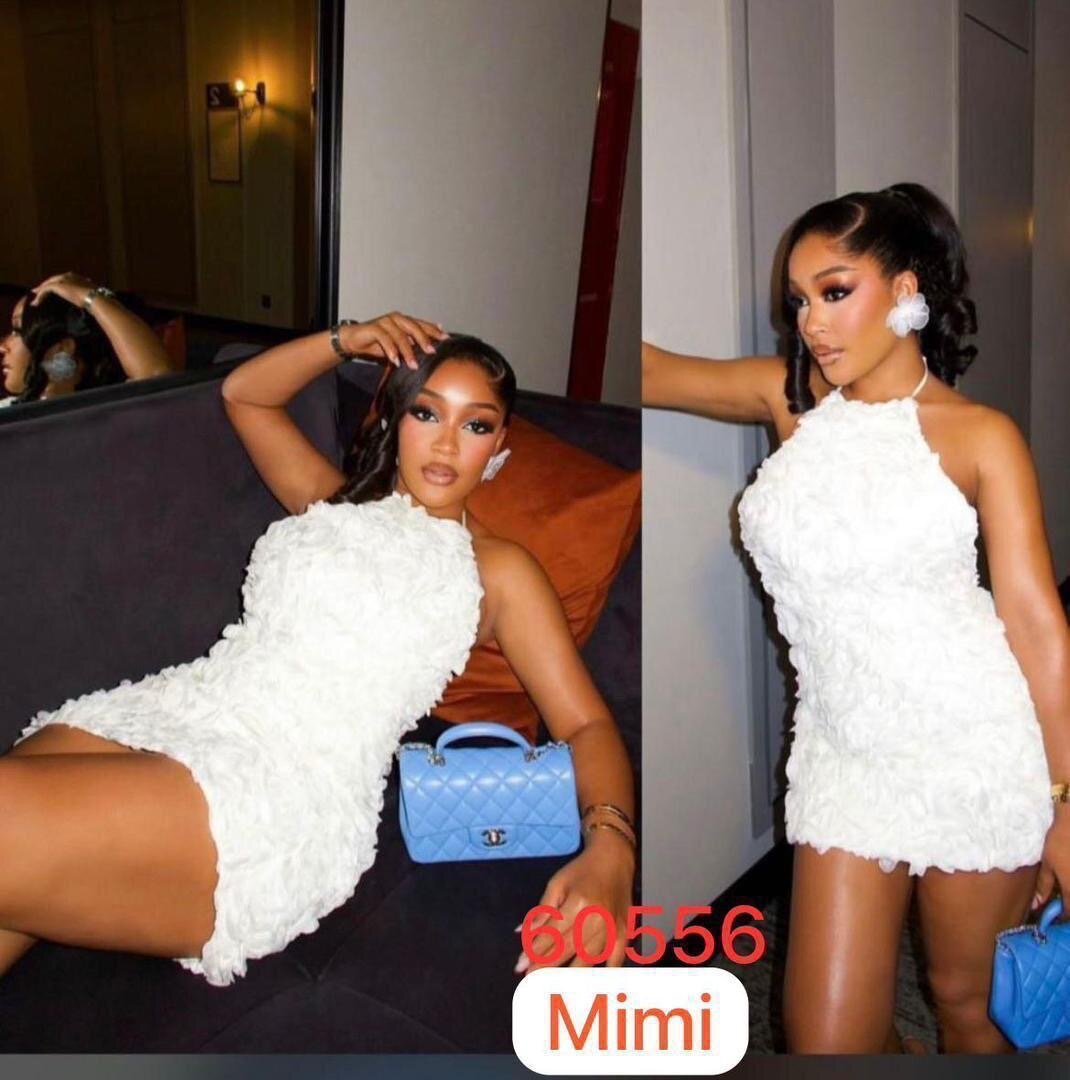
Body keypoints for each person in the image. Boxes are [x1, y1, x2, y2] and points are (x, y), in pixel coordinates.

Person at [0, 312, 636, 991]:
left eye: (476, 425)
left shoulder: (499, 571)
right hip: (178, 708)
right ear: (395, 417)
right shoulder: (331, 501)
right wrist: (346, 340)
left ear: (500, 443)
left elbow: (584, 723)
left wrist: (613, 848)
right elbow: (244, 395)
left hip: (280, 783)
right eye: (426, 413)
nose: (448, 443)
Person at [643, 182, 1070, 1054]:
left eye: (835, 292)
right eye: (800, 301)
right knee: (824, 1038)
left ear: (906, 290)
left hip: (974, 751)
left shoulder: (979, 435)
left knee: (966, 1006)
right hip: (843, 757)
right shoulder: (792, 402)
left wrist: (1068, 802)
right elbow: (648, 369)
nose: (811, 322)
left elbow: (1035, 626)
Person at [0, 272, 174, 405]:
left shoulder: (109, 409)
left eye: (17, 331)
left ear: (62, 347)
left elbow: (157, 378)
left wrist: (92, 297)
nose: (2, 347)